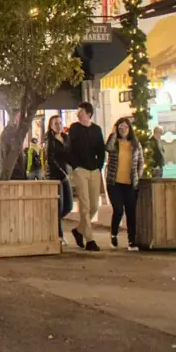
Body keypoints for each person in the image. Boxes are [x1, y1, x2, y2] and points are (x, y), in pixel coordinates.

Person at [66, 102, 105, 252]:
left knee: (95, 205)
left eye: (80, 112)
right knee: (85, 204)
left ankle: (79, 230)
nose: (78, 114)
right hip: (80, 170)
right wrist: (75, 166)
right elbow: (69, 148)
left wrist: (99, 166)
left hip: (94, 170)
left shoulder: (96, 130)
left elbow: (101, 149)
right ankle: (90, 239)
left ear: (88, 114)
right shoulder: (74, 129)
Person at [105, 117, 144, 250]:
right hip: (114, 183)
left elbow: (140, 161)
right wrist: (114, 133)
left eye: (125, 127)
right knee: (118, 209)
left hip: (130, 183)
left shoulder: (135, 143)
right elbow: (108, 148)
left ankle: (131, 241)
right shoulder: (114, 142)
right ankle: (114, 235)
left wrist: (138, 176)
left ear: (129, 128)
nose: (123, 130)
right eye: (120, 127)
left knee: (131, 212)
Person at [44, 115, 72, 245]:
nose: (58, 125)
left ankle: (54, 224)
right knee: (59, 206)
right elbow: (50, 160)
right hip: (55, 176)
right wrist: (61, 173)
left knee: (69, 206)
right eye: (55, 123)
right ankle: (59, 235)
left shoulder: (65, 138)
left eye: (60, 123)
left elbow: (69, 155)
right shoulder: (50, 140)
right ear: (51, 125)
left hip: (65, 174)